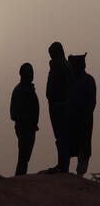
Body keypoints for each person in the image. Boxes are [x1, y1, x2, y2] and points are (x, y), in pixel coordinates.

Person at [46, 42, 73, 173]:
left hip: (59, 105)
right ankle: (62, 165)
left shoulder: (59, 65)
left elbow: (56, 87)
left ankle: (62, 166)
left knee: (61, 137)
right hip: (61, 104)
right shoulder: (65, 65)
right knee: (62, 137)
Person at [68, 53, 96, 176]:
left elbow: (91, 102)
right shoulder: (71, 80)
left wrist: (85, 114)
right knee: (70, 145)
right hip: (73, 118)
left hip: (84, 119)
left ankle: (80, 173)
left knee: (83, 147)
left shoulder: (88, 80)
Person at [10, 63, 39, 175]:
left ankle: (21, 176)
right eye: (29, 72)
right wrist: (27, 122)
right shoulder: (20, 90)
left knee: (25, 155)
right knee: (24, 155)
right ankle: (19, 177)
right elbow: (14, 113)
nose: (32, 75)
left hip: (28, 127)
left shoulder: (27, 88)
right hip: (24, 127)